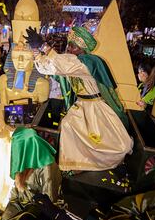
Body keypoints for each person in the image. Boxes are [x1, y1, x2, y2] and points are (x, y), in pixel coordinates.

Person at [25, 26, 133, 171]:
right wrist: (36, 52)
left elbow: (61, 63)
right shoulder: (72, 62)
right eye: (68, 44)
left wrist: (44, 46)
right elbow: (52, 67)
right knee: (68, 124)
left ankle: (94, 162)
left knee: (115, 143)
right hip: (81, 104)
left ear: (82, 48)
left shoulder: (87, 61)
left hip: (96, 106)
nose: (69, 48)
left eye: (73, 46)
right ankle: (75, 163)